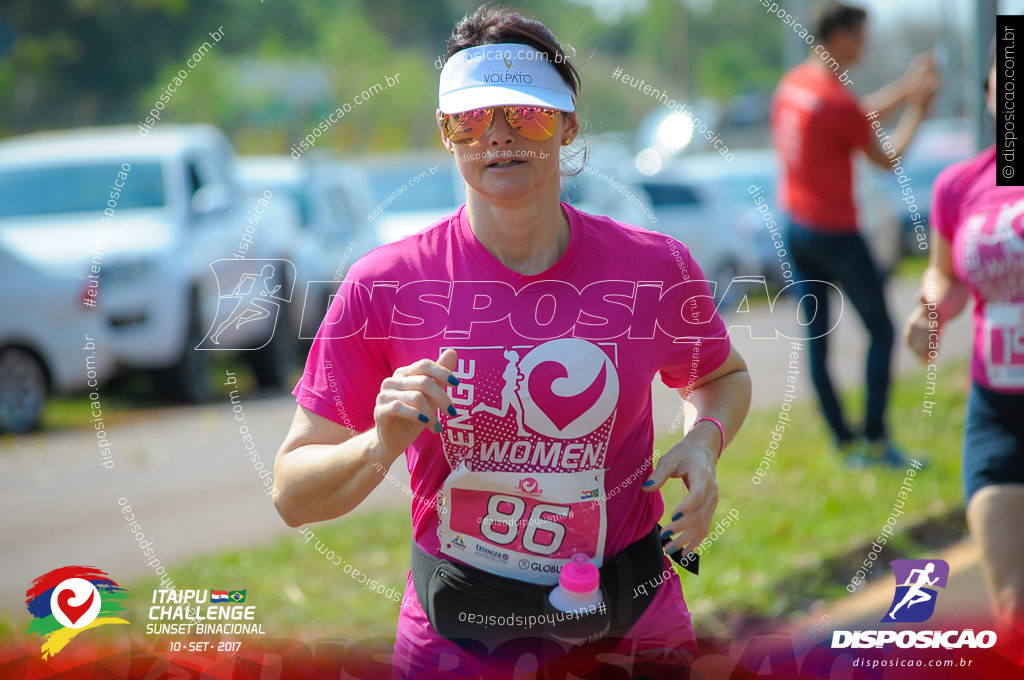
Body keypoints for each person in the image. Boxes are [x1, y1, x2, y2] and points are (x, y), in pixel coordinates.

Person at [273, 5, 751, 677]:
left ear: (569, 125)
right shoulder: (385, 283)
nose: (497, 138)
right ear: (446, 134)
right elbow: (292, 494)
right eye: (470, 120)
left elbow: (721, 376)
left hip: (632, 624)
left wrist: (704, 442)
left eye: (525, 115)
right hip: (463, 638)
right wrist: (379, 443)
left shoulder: (652, 267)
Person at [770, 1, 940, 466]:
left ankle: (845, 444)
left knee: (817, 340)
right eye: (861, 35)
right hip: (835, 233)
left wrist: (905, 90)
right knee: (882, 331)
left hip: (795, 228)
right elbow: (887, 159)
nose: (865, 45)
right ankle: (878, 439)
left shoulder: (796, 85)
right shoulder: (834, 99)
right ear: (840, 35)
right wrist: (919, 110)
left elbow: (855, 117)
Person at [904, 49, 1024, 630]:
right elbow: (948, 276)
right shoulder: (959, 185)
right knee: (1013, 604)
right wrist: (931, 310)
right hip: (998, 412)